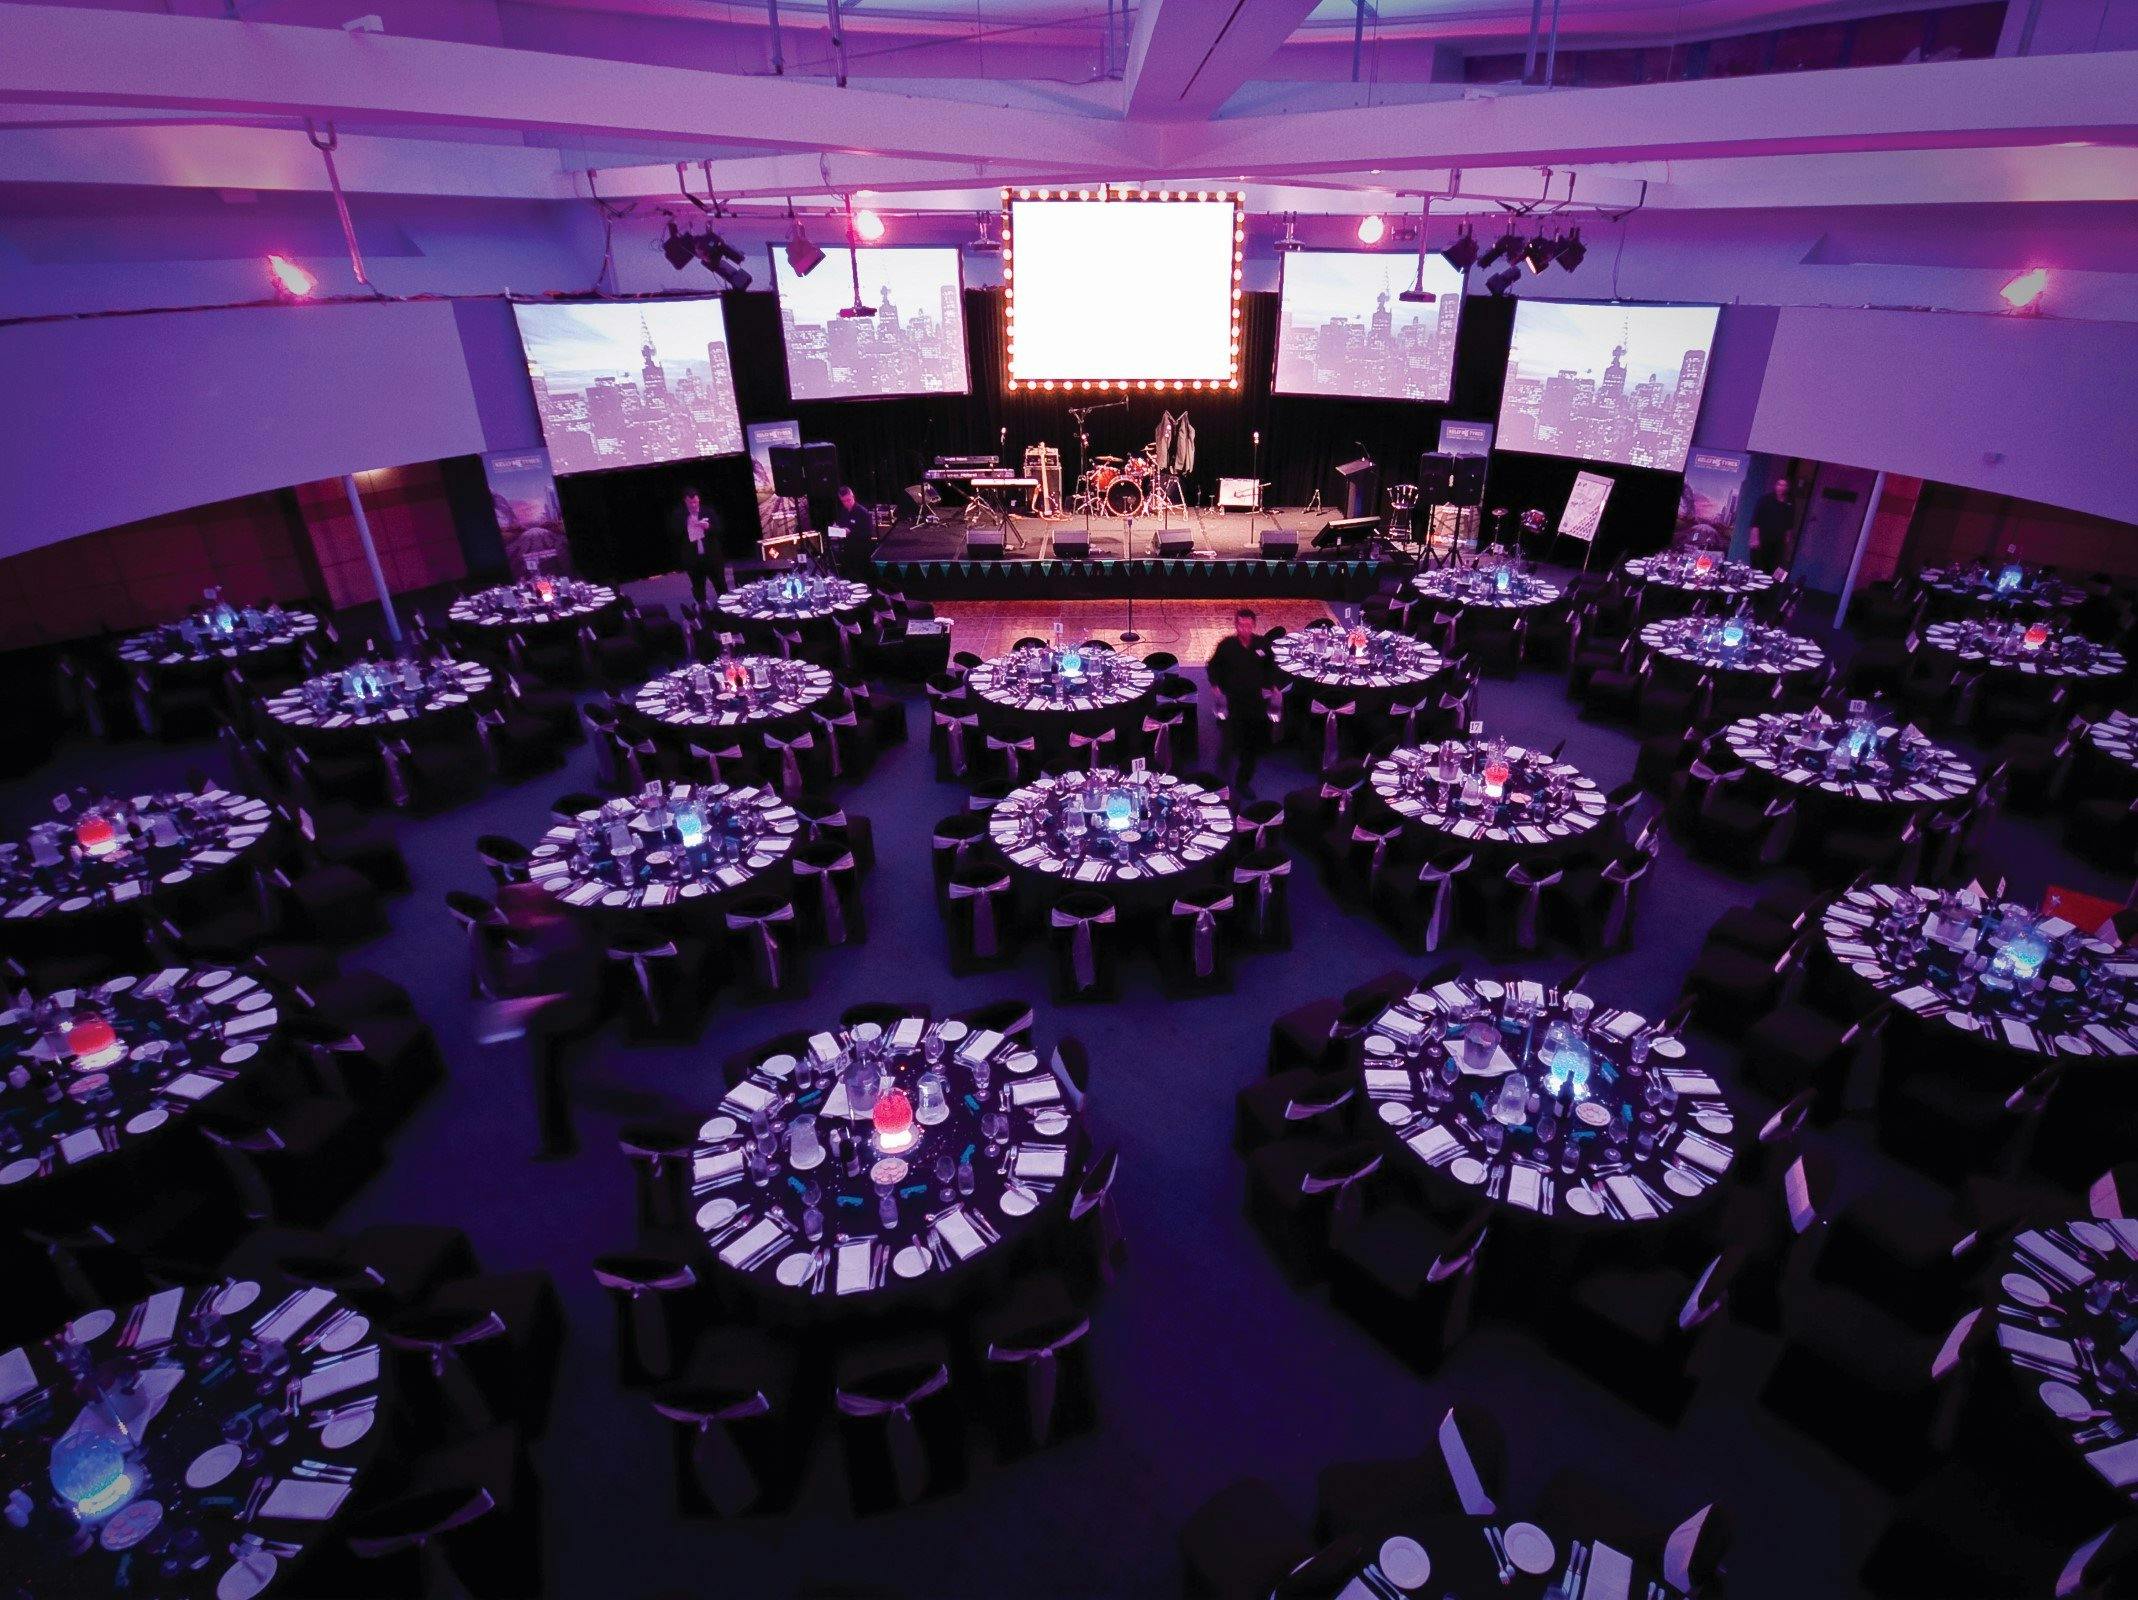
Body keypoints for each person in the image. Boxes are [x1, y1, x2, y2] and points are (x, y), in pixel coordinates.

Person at [1207, 607, 1276, 797]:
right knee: (1229, 741)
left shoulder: (1262, 644)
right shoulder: (1227, 646)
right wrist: (1215, 686)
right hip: (1232, 702)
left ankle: (1243, 782)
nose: (1245, 629)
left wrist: (1272, 685)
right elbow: (1213, 666)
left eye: (1248, 625)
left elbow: (1271, 667)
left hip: (1256, 703)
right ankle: (1220, 778)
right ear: (1236, 625)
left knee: (1251, 745)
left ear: (1253, 625)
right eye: (1241, 625)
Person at [669, 485, 723, 607]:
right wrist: (686, 523)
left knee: (720, 585)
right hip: (693, 560)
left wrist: (708, 527)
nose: (693, 505)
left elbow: (719, 529)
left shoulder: (708, 511)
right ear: (685, 501)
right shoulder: (679, 515)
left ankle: (727, 611)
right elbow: (674, 533)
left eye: (695, 502)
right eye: (690, 502)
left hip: (712, 558)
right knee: (698, 588)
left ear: (699, 500)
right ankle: (703, 611)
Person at [1747, 476, 1798, 574]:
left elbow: (1790, 523)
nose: (1782, 487)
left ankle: (1767, 589)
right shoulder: (1765, 499)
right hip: (1762, 539)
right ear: (1775, 486)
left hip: (1778, 542)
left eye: (1785, 485)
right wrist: (1754, 538)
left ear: (1788, 487)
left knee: (1772, 569)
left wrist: (1787, 541)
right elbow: (1755, 520)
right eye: (1779, 484)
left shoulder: (1790, 502)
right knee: (1757, 568)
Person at [830, 485, 877, 574]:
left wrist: (850, 532)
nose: (847, 503)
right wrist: (837, 530)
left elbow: (868, 533)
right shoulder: (843, 511)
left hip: (861, 550)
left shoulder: (862, 512)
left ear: (853, 497)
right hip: (847, 548)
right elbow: (840, 525)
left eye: (849, 500)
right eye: (844, 501)